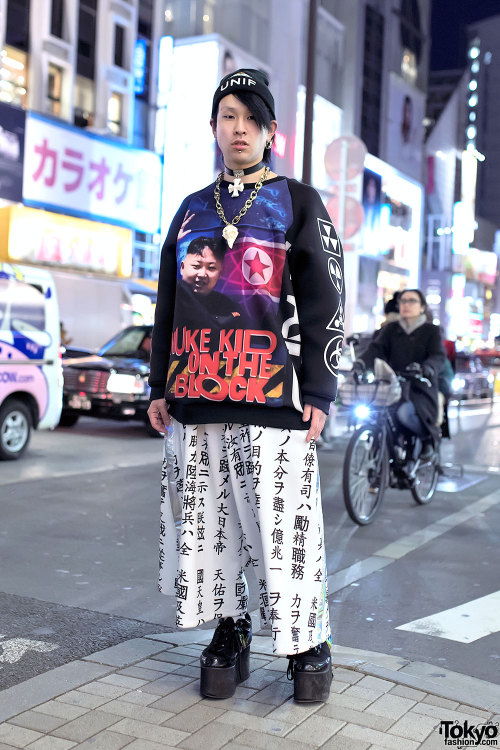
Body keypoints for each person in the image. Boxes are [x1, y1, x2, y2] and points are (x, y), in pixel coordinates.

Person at [147, 68, 345, 703]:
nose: (239, 128)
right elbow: (168, 301)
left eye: (251, 118)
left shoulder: (299, 201)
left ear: (271, 132)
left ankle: (306, 641)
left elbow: (325, 301)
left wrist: (318, 392)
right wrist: (160, 386)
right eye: (228, 115)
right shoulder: (191, 209)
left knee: (283, 525)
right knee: (211, 522)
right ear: (213, 127)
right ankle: (229, 631)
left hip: (276, 399)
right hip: (198, 394)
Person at [354, 288, 445, 459]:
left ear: (422, 307)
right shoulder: (391, 329)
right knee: (376, 412)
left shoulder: (431, 331)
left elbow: (438, 356)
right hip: (392, 385)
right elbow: (375, 349)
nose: (406, 305)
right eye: (403, 301)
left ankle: (426, 439)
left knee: (405, 413)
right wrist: (360, 363)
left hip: (420, 388)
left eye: (412, 301)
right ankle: (386, 452)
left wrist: (427, 368)